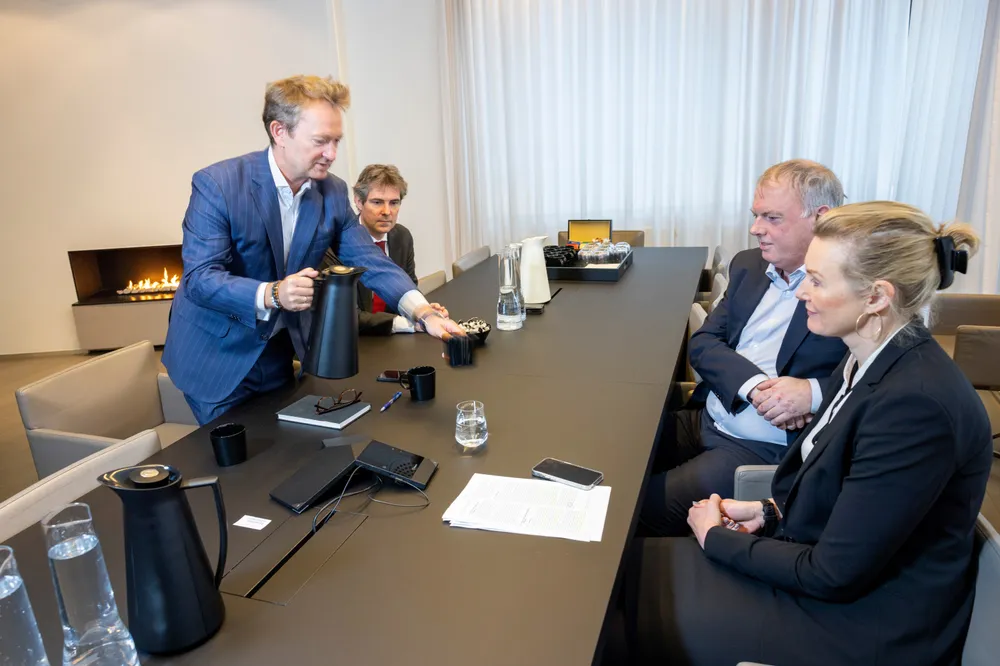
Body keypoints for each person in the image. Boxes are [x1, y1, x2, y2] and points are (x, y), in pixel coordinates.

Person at [624, 202, 991, 666]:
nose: (801, 293)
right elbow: (855, 505)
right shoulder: (864, 359)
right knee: (625, 573)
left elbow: (833, 574)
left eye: (816, 281)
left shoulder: (915, 407)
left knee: (620, 611)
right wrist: (768, 512)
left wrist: (717, 538)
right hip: (826, 578)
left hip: (864, 626)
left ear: (876, 297)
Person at [163, 75, 464, 425]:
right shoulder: (218, 184)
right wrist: (273, 293)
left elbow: (370, 259)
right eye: (321, 141)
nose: (332, 154)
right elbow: (200, 279)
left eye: (336, 141)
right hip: (216, 356)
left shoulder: (332, 191)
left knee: (284, 447)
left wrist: (423, 312)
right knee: (241, 458)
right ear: (279, 132)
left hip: (278, 352)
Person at [641, 160, 848, 536]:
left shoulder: (849, 288)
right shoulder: (749, 265)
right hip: (707, 415)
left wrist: (811, 393)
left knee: (633, 507)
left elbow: (876, 379)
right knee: (614, 458)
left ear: (821, 218)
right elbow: (704, 342)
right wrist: (754, 388)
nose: (756, 229)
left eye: (772, 218)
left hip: (758, 447)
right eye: (756, 216)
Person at [323, 164, 442, 336]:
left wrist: (423, 312)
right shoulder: (337, 244)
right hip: (354, 340)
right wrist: (405, 323)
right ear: (358, 201)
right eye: (377, 202)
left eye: (394, 203)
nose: (387, 212)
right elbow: (345, 315)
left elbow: (407, 287)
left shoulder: (402, 237)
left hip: (392, 340)